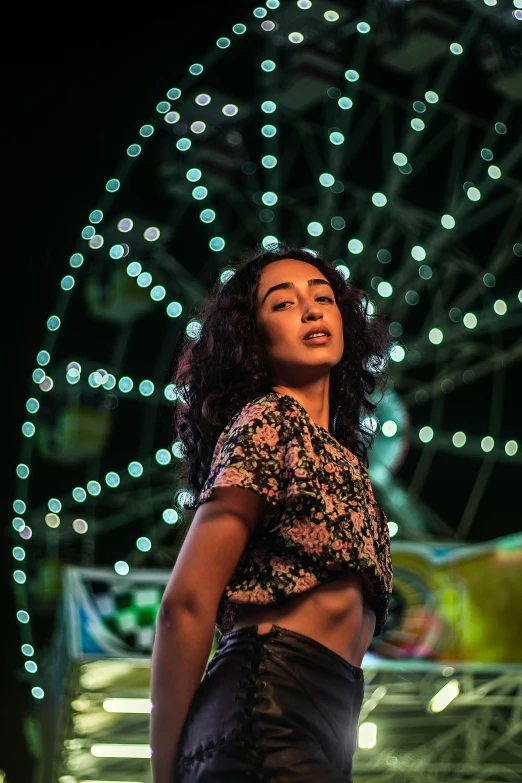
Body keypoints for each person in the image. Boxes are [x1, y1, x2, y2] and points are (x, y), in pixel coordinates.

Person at [150, 242, 394, 782]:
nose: (310, 310)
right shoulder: (269, 420)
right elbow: (185, 605)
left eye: (323, 298)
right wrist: (165, 774)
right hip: (264, 713)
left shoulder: (342, 459)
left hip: (323, 724)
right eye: (281, 304)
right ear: (250, 340)